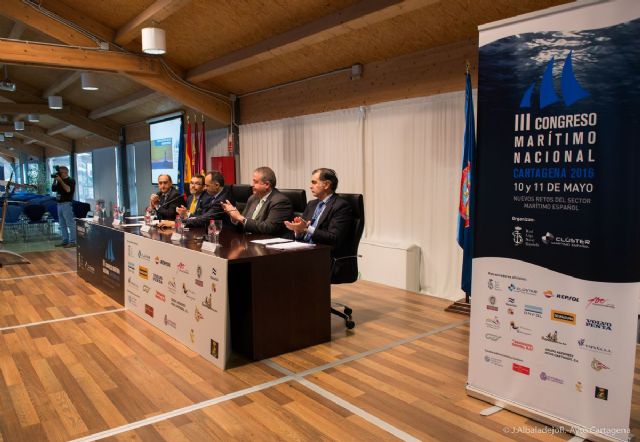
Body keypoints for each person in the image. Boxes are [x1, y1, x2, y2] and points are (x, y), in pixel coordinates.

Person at [285, 168, 354, 263]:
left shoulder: (341, 206)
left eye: (314, 182)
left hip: (323, 256)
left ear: (326, 185)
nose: (310, 186)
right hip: (303, 250)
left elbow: (334, 238)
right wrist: (298, 231)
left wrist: (306, 228)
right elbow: (302, 232)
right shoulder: (311, 204)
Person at [221, 166, 292, 236]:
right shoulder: (252, 198)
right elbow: (244, 224)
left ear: (267, 185)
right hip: (249, 240)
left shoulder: (280, 201)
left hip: (268, 243)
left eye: (256, 182)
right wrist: (234, 217)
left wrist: (240, 218)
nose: (252, 185)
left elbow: (269, 228)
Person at [159, 171, 234, 228]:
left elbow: (204, 219)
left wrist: (176, 223)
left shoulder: (222, 200)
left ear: (217, 185)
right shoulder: (216, 196)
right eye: (191, 183)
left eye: (207, 185)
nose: (205, 188)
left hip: (225, 236)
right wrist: (186, 214)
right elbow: (201, 217)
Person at [52, 165, 76, 248]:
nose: (59, 174)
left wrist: (61, 181)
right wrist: (55, 180)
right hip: (59, 204)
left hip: (66, 204)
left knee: (70, 223)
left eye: (60, 172)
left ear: (65, 172)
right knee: (62, 224)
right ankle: (65, 240)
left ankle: (73, 241)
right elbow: (53, 189)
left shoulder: (71, 180)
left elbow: (68, 189)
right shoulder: (59, 180)